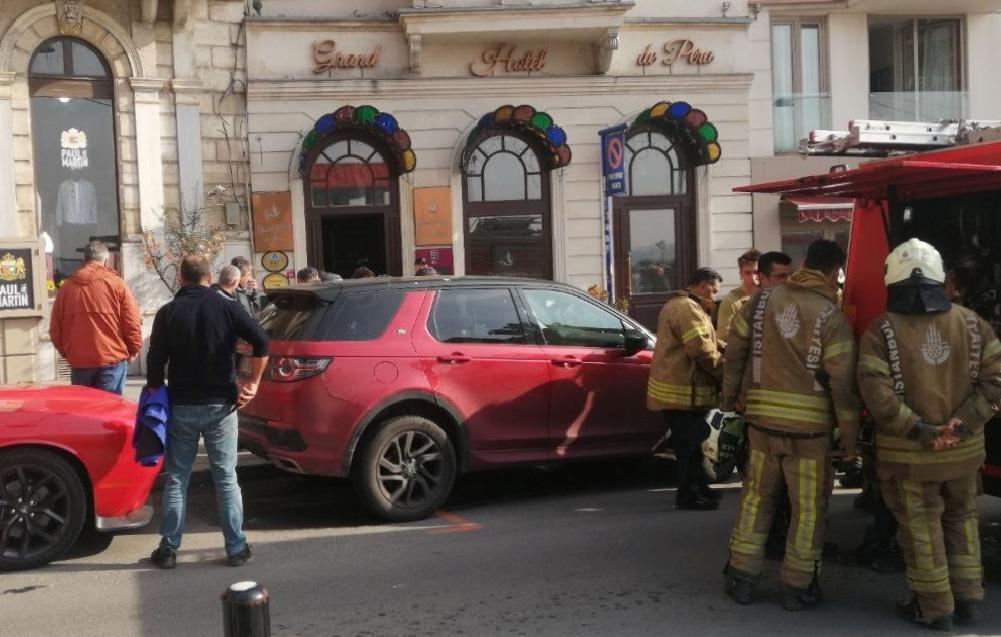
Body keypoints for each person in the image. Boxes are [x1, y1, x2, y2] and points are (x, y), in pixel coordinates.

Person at [857, 239, 1001, 630]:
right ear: (941, 278)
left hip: (909, 458)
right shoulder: (974, 324)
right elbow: (995, 383)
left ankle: (934, 607)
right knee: (962, 520)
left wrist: (918, 428)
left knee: (921, 528)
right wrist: (963, 423)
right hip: (963, 454)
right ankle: (970, 598)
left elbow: (875, 390)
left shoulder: (880, 330)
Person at [721, 239, 860, 610]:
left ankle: (743, 577)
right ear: (833, 274)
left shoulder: (763, 300)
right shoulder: (832, 318)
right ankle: (797, 588)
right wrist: (849, 438)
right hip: (810, 436)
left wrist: (730, 394)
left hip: (763, 427)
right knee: (809, 511)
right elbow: (843, 385)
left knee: (755, 501)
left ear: (803, 263)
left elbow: (735, 348)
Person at [146, 255, 270, 569]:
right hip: (222, 405)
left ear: (181, 279)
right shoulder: (227, 307)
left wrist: (155, 397)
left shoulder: (168, 313)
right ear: (209, 276)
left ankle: (169, 549)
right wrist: (252, 382)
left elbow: (155, 363)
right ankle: (236, 548)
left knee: (176, 479)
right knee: (226, 478)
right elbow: (261, 340)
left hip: (182, 405)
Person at [647, 267, 725, 511]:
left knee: (694, 442)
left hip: (680, 391)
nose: (713, 296)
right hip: (682, 394)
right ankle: (688, 495)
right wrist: (725, 372)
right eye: (713, 290)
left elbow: (706, 340)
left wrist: (725, 346)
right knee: (688, 447)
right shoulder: (687, 308)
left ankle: (699, 487)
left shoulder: (685, 305)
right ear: (702, 285)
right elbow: (701, 350)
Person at [49, 240, 141, 395]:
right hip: (112, 358)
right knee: (110, 411)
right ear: (106, 260)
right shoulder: (116, 284)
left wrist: (69, 353)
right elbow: (132, 321)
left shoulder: (66, 288)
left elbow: (55, 329)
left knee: (85, 414)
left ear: (83, 260)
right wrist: (133, 349)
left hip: (80, 362)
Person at [716, 249, 761, 346]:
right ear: (741, 274)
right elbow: (723, 337)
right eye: (748, 273)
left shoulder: (770, 296)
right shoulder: (731, 301)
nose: (753, 278)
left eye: (756, 272)